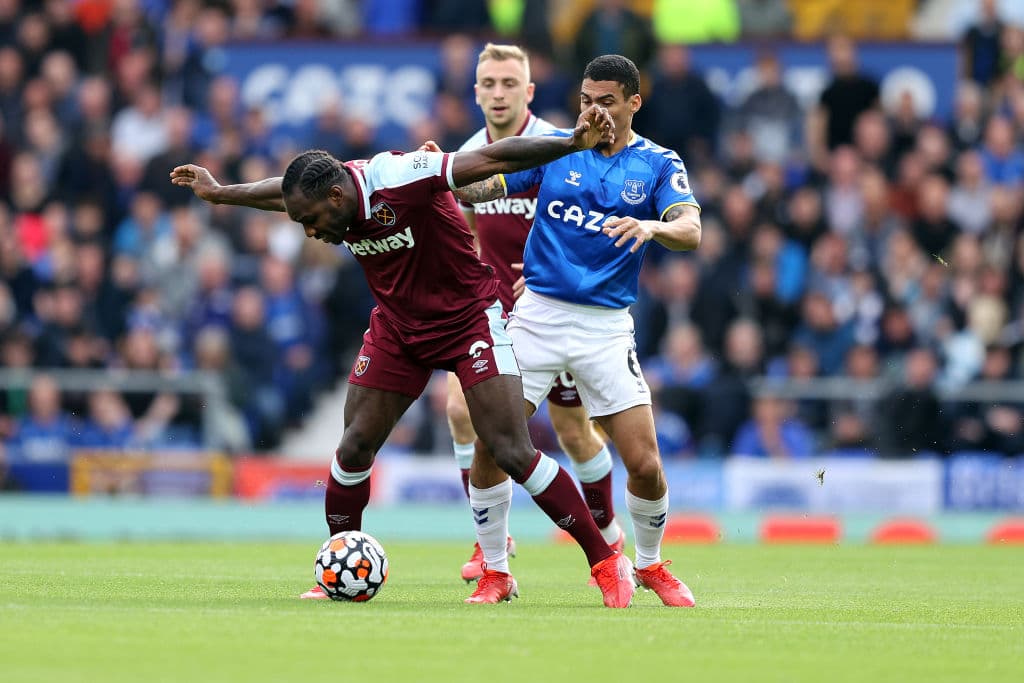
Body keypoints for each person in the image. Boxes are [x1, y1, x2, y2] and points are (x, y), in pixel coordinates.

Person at [170, 104, 637, 608]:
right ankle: (336, 566)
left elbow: (491, 157)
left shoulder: (397, 175)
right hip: (398, 329)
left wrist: (571, 141)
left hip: (469, 321)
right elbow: (279, 196)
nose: (309, 231)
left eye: (311, 220)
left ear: (336, 195)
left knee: (510, 450)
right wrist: (220, 193)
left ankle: (607, 562)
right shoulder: (322, 198)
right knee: (352, 449)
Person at [452, 55, 701, 607]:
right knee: (493, 439)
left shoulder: (659, 163)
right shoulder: (559, 150)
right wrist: (445, 174)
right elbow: (479, 191)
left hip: (605, 326)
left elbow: (692, 228)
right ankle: (496, 571)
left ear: (634, 102)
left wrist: (652, 225)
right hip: (537, 317)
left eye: (608, 101)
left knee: (645, 463)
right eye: (588, 100)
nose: (595, 111)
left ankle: (650, 564)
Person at [447, 43, 624, 583]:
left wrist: (553, 273)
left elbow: (597, 219)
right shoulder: (466, 157)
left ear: (527, 92)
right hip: (496, 312)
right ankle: (491, 544)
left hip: (557, 304)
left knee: (573, 432)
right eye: (489, 84)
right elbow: (467, 237)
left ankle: (609, 534)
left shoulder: (558, 144)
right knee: (460, 412)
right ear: (476, 92)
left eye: (509, 84)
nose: (498, 93)